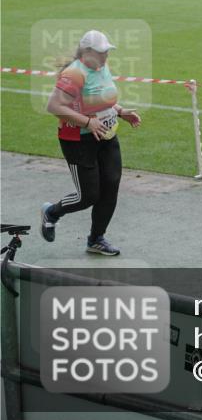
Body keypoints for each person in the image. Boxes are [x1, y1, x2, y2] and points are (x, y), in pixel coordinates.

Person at [39, 30, 141, 256]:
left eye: (107, 52)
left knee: (110, 189)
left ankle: (96, 239)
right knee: (88, 196)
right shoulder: (74, 74)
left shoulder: (101, 67)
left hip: (106, 136)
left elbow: (101, 100)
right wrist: (88, 122)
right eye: (101, 52)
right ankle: (52, 213)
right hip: (78, 141)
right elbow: (54, 107)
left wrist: (121, 111)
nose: (106, 56)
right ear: (87, 52)